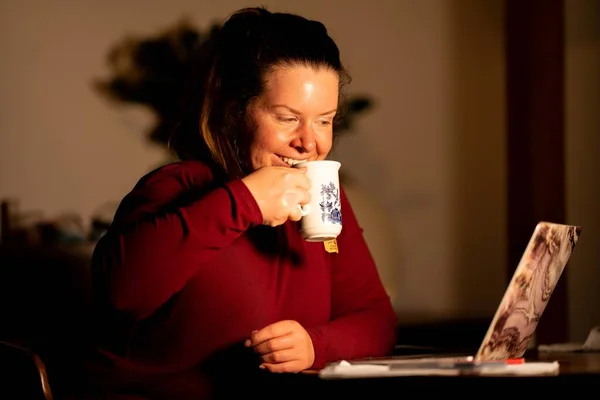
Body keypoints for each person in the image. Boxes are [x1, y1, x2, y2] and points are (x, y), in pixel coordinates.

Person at [83, 6, 397, 399]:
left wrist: (317, 345)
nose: (310, 142)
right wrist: (245, 201)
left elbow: (377, 321)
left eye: (324, 120)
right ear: (234, 112)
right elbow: (121, 294)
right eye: (287, 118)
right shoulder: (176, 189)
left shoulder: (325, 198)